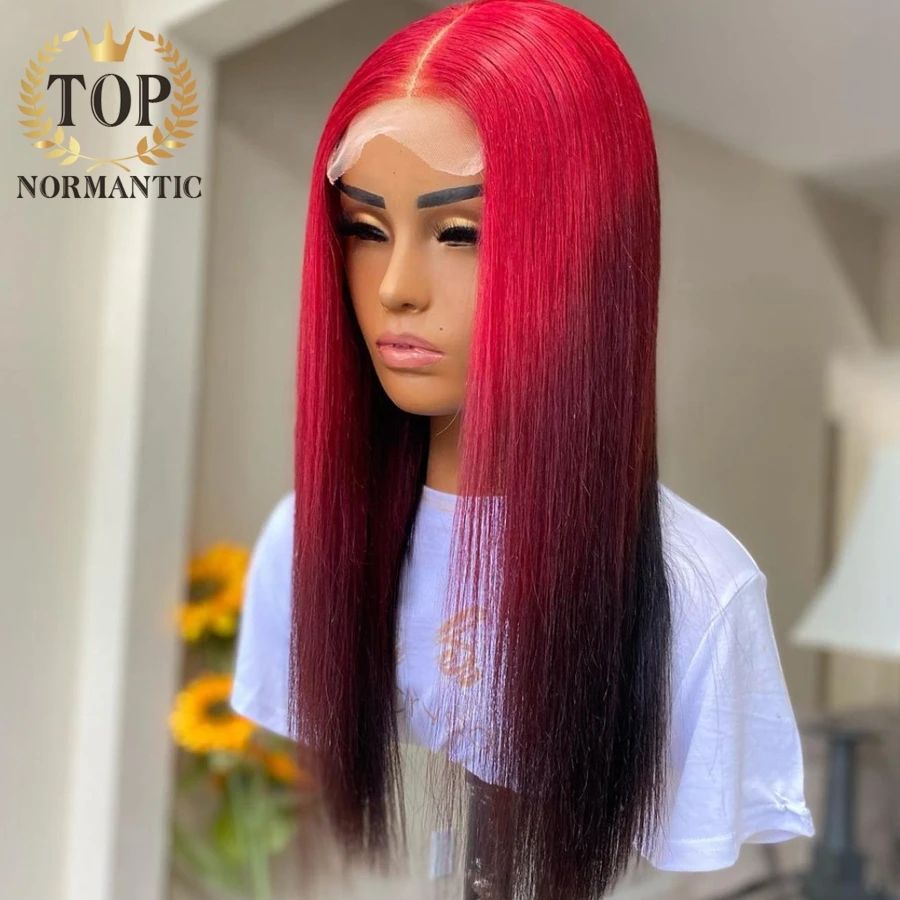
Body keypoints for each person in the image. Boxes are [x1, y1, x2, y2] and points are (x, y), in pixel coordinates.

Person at [231, 1, 815, 897]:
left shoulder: (696, 595)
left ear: (587, 256)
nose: (396, 288)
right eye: (365, 230)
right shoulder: (305, 543)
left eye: (461, 234)